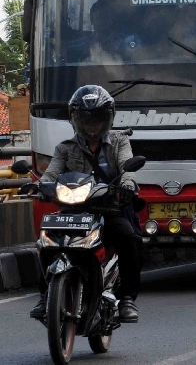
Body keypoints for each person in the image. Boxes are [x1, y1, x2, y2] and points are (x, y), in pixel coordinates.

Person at [30, 86, 142, 323]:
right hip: (74, 210)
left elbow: (126, 167)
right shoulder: (64, 148)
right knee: (45, 240)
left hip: (108, 208)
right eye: (86, 119)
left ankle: (127, 299)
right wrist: (38, 186)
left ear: (107, 119)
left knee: (129, 237)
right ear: (76, 120)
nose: (92, 124)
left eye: (98, 119)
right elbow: (51, 174)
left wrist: (128, 184)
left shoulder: (120, 141)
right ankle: (45, 296)